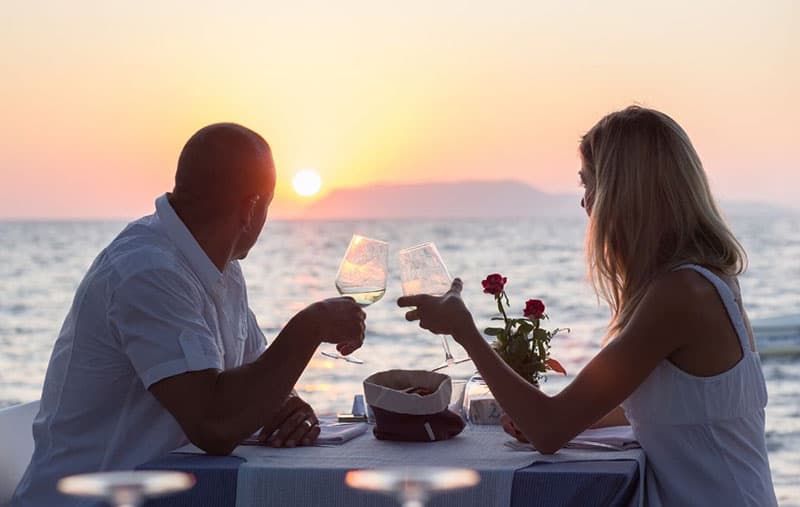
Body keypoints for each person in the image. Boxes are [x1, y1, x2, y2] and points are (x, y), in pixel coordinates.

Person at [399, 106, 778, 506]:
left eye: (590, 184)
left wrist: (465, 332)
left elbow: (548, 433)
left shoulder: (681, 293)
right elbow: (664, 407)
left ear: (623, 193)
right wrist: (577, 419)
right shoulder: (702, 280)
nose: (585, 202)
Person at [12, 123, 366, 506]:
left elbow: (252, 381)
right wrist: (310, 326)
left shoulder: (220, 269)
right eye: (268, 204)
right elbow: (214, 424)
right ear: (250, 208)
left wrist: (286, 407)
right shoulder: (148, 271)